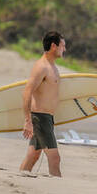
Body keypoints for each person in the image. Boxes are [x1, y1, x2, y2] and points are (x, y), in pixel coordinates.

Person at [20, 31, 65, 177]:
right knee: (54, 157)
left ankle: (21, 178)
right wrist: (28, 121)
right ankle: (57, 190)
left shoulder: (52, 67)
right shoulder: (42, 67)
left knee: (33, 155)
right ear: (54, 46)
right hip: (40, 118)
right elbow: (27, 92)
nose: (65, 49)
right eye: (63, 46)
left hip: (47, 118)